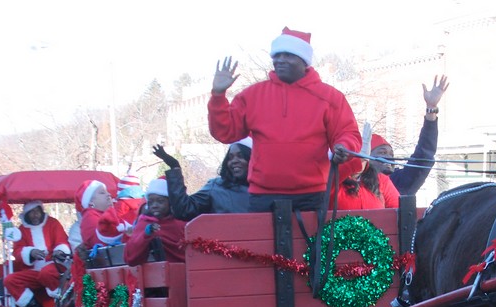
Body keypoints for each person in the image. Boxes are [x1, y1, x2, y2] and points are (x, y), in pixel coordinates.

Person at [208, 27, 361, 213]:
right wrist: (218, 95)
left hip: (311, 195)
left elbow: (347, 133)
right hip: (262, 195)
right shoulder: (252, 95)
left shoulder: (330, 97)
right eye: (277, 55)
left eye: (288, 55)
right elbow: (225, 132)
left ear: (304, 61)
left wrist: (344, 146)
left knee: (309, 244)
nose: (280, 60)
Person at [370, 75, 449, 196]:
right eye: (382, 153)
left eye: (391, 154)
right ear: (365, 157)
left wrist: (431, 109)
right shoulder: (353, 182)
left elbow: (424, 154)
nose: (389, 158)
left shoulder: (399, 182)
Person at [2, 201, 71, 307]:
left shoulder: (53, 223)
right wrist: (30, 253)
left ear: (41, 211)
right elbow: (17, 252)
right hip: (33, 271)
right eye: (31, 213)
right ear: (26, 215)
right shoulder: (21, 230)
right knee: (10, 280)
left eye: (37, 212)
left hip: (53, 266)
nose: (35, 215)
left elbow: (62, 242)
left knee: (46, 273)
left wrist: (59, 251)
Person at [154, 139, 252, 220]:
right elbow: (184, 210)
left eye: (241, 156)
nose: (234, 161)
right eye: (230, 158)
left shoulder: (264, 190)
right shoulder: (216, 188)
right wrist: (174, 168)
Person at [124, 177, 185, 265]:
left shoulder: (181, 222)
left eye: (160, 201)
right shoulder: (144, 223)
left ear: (170, 202)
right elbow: (131, 258)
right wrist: (146, 235)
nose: (154, 206)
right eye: (151, 202)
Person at [74, 180, 127, 251]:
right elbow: (99, 242)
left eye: (107, 192)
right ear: (90, 202)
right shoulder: (89, 217)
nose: (109, 195)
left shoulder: (111, 215)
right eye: (102, 193)